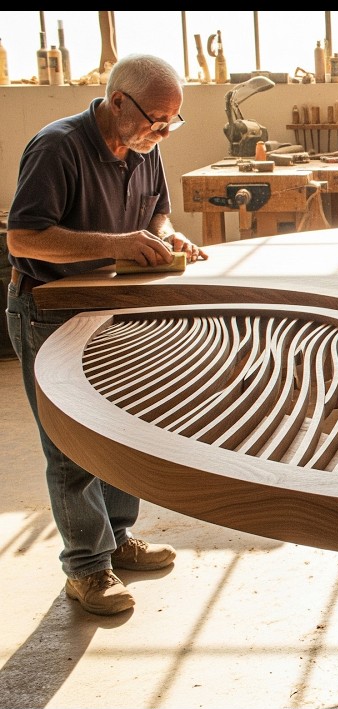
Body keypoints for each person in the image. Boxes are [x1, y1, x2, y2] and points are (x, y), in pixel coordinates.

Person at [6, 54, 207, 616]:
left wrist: (168, 237)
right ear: (118, 101)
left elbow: (158, 214)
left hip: (111, 306)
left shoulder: (145, 145)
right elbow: (23, 239)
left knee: (121, 429)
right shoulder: (57, 147)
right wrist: (118, 244)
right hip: (49, 308)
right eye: (156, 120)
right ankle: (87, 568)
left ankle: (116, 539)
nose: (163, 132)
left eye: (172, 122)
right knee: (71, 443)